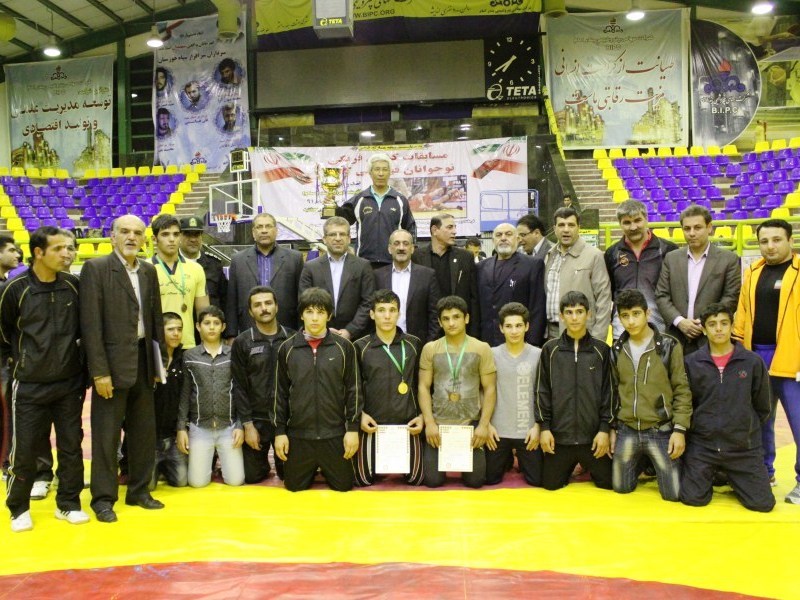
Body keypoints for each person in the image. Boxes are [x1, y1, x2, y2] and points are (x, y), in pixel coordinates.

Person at [1, 227, 87, 532]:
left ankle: (69, 504)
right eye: (59, 248)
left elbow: (83, 330)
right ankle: (18, 508)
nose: (67, 254)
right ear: (39, 252)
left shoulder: (73, 285)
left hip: (69, 383)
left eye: (70, 248)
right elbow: (4, 333)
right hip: (28, 385)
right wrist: (20, 362)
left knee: (71, 447)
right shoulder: (14, 289)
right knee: (23, 450)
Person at [80, 214, 165, 523]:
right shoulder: (96, 268)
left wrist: (157, 363)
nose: (132, 237)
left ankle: (139, 491)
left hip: (143, 361)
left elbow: (155, 319)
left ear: (144, 239)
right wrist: (99, 372)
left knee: (143, 432)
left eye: (138, 233)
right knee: (106, 437)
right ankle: (103, 499)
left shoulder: (148, 270)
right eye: (125, 231)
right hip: (111, 367)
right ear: (112, 236)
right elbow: (90, 325)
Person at [682, 303, 775, 512]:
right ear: (704, 329)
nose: (719, 329)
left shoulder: (752, 362)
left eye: (724, 323)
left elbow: (763, 406)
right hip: (704, 446)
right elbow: (687, 404)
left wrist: (742, 428)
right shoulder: (691, 363)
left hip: (742, 448)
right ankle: (717, 472)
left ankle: (731, 474)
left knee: (763, 504)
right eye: (712, 324)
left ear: (732, 326)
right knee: (693, 499)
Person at [733, 218, 800, 503]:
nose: (770, 246)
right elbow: (742, 314)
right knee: (760, 421)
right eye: (764, 241)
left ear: (790, 241)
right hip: (756, 356)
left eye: (776, 240)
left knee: (798, 421)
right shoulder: (753, 272)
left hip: (792, 359)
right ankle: (764, 472)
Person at [274, 287, 361, 492]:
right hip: (299, 435)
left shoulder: (344, 347)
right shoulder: (287, 348)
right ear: (301, 314)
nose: (314, 318)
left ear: (329, 316)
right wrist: (279, 432)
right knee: (293, 487)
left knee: (344, 486)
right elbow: (279, 393)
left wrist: (352, 430)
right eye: (309, 311)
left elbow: (354, 390)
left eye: (320, 312)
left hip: (334, 434)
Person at [609, 289, 691, 502]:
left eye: (636, 314)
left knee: (673, 494)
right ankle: (641, 462)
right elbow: (613, 392)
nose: (631, 321)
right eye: (625, 316)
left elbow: (682, 390)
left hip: (660, 429)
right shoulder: (616, 349)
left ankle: (658, 463)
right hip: (627, 429)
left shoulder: (669, 346)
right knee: (621, 488)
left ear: (647, 313)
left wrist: (679, 430)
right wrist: (611, 428)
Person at [535, 291, 613, 491]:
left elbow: (609, 393)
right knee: (550, 485)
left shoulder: (602, 351)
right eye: (569, 312)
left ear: (589, 314)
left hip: (593, 439)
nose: (575, 317)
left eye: (579, 312)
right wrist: (545, 428)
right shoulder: (550, 350)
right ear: (561, 316)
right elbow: (542, 391)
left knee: (609, 483)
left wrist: (604, 430)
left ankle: (587, 465)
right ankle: (570, 465)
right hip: (560, 439)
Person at [418, 295, 496, 488]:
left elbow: (490, 388)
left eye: (456, 317)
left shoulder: (482, 348)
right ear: (439, 322)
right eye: (446, 318)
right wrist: (429, 423)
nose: (451, 323)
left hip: (470, 424)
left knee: (476, 481)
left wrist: (483, 425)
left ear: (466, 318)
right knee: (432, 481)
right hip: (439, 425)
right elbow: (423, 387)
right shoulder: (430, 349)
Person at [353, 289, 424, 486]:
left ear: (399, 314)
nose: (387, 316)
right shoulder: (360, 347)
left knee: (416, 480)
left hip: (407, 425)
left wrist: (422, 416)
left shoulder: (414, 344)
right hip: (372, 426)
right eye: (381, 310)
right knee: (362, 480)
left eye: (392, 310)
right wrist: (360, 415)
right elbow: (353, 387)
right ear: (372, 314)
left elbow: (422, 385)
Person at [656, 205, 740, 354]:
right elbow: (661, 295)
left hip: (711, 339)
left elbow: (731, 297)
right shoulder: (671, 258)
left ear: (709, 228)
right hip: (676, 338)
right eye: (687, 229)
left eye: (697, 228)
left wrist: (706, 322)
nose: (692, 233)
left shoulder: (729, 259)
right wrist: (680, 321)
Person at [231, 286, 294, 483]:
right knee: (252, 476)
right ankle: (263, 463)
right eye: (257, 305)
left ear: (276, 306)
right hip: (257, 420)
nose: (264, 308)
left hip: (287, 420)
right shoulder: (242, 342)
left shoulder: (292, 338)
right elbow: (239, 386)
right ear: (251, 312)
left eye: (268, 303)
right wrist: (247, 425)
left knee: (290, 476)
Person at [177, 306, 244, 487]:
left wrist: (240, 425)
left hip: (228, 427)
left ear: (223, 327)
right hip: (200, 428)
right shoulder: (189, 356)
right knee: (197, 483)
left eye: (216, 323)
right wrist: (181, 428)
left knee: (236, 481)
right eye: (207, 323)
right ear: (198, 326)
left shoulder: (233, 354)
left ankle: (223, 465)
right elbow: (185, 393)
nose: (212, 327)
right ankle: (208, 464)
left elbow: (241, 391)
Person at [485, 302, 543, 486]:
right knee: (489, 479)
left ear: (527, 326)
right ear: (501, 328)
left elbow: (544, 394)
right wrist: (486, 424)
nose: (514, 331)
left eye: (518, 325)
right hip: (497, 431)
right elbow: (482, 390)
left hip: (527, 431)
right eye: (509, 326)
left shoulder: (539, 354)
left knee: (537, 480)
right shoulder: (491, 354)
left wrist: (538, 426)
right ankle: (506, 459)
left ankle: (519, 460)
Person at [604, 200, 678, 338]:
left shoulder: (668, 250)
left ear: (646, 219)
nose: (633, 227)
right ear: (620, 224)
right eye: (627, 222)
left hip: (659, 329)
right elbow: (611, 291)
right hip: (622, 331)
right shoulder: (612, 253)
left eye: (637, 220)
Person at [226, 213, 303, 336]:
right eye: (259, 227)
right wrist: (231, 334)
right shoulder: (238, 260)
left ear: (276, 231)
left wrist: (302, 330)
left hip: (287, 329)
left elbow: (301, 297)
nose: (264, 230)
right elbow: (231, 300)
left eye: (268, 226)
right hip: (248, 328)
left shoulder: (294, 258)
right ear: (253, 232)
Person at [299, 216, 375, 341]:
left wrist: (350, 331)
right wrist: (324, 329)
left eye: (342, 234)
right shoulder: (310, 267)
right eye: (333, 234)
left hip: (356, 338)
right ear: (324, 239)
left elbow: (368, 302)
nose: (338, 238)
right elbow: (305, 302)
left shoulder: (363, 266)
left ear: (349, 238)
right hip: (319, 336)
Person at [336, 153, 416, 269]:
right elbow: (343, 220)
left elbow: (410, 228)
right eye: (377, 169)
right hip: (364, 262)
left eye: (385, 169)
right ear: (370, 173)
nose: (381, 173)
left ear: (390, 172)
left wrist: (411, 252)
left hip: (393, 262)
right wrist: (332, 206)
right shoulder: (360, 199)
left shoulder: (400, 200)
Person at [544, 207, 612, 341]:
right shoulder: (550, 256)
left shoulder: (594, 256)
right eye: (561, 225)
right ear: (554, 228)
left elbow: (603, 299)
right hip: (552, 333)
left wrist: (598, 338)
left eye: (571, 225)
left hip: (583, 334)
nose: (566, 230)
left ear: (579, 227)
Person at [476, 223, 545, 347]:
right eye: (499, 235)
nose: (503, 238)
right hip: (486, 341)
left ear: (518, 239)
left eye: (508, 234)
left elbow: (537, 308)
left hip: (519, 341)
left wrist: (531, 344)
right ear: (493, 240)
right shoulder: (481, 267)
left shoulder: (532, 265)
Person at [412, 214, 479, 336]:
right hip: (428, 330)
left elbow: (473, 298)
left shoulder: (465, 257)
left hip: (457, 328)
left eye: (455, 227)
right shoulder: (416, 257)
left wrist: (474, 333)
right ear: (435, 230)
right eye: (449, 227)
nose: (454, 231)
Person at [151, 214, 209, 349]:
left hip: (187, 344)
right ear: (154, 239)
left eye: (176, 234)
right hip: (156, 345)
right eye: (165, 234)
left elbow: (204, 313)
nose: (172, 239)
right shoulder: (146, 268)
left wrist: (206, 346)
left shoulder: (196, 269)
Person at [373, 228, 441, 343]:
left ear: (412, 248)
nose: (401, 248)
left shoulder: (427, 275)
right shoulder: (377, 276)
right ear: (389, 249)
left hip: (418, 344)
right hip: (384, 343)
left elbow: (434, 315)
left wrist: (429, 344)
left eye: (406, 244)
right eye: (396, 243)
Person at [151, 312, 188, 488]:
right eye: (171, 329)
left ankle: (164, 468)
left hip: (173, 436)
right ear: (160, 331)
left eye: (179, 329)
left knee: (181, 482)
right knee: (148, 487)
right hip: (150, 437)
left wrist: (182, 428)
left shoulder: (184, 358)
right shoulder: (150, 359)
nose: (176, 334)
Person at [179, 215, 227, 310]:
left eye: (196, 234)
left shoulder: (214, 264)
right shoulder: (171, 263)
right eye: (188, 235)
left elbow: (225, 299)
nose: (193, 239)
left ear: (201, 237)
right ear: (179, 236)